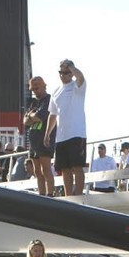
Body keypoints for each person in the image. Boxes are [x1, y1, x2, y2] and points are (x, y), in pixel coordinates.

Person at [45, 59, 87, 196]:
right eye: (61, 72)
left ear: (71, 73)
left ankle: (79, 196)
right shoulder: (56, 92)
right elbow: (53, 114)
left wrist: (72, 67)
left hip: (76, 133)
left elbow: (81, 77)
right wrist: (47, 134)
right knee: (65, 169)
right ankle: (69, 196)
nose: (63, 75)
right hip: (61, 136)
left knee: (77, 167)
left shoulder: (77, 86)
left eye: (66, 72)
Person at [24, 76, 56, 196]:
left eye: (37, 88)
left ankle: (50, 193)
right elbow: (25, 121)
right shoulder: (32, 102)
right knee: (37, 170)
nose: (35, 91)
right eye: (33, 89)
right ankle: (41, 194)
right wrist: (32, 117)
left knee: (45, 168)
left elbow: (39, 116)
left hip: (45, 139)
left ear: (44, 86)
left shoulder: (48, 100)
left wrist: (31, 117)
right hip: (33, 141)